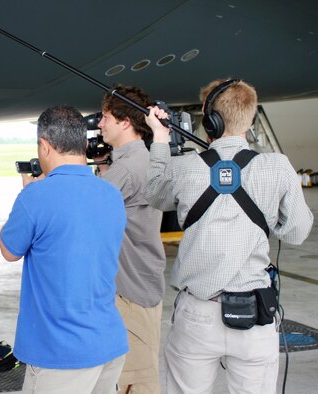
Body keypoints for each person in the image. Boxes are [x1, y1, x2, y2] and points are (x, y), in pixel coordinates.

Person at [145, 79, 314, 393]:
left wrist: (159, 137)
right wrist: (269, 220)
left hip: (198, 314)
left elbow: (154, 194)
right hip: (255, 317)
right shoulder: (277, 167)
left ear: (210, 121)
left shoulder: (183, 168)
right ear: (249, 121)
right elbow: (296, 233)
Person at [0, 105, 129, 393]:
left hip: (61, 354)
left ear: (44, 146)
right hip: (108, 342)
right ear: (83, 144)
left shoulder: (35, 197)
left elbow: (9, 250)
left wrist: (27, 194)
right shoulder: (111, 193)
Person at [96, 86, 166, 393]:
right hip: (142, 286)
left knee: (136, 381)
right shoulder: (139, 160)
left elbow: (87, 215)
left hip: (130, 294)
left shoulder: (125, 168)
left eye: (106, 117)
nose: (100, 124)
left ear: (125, 122)